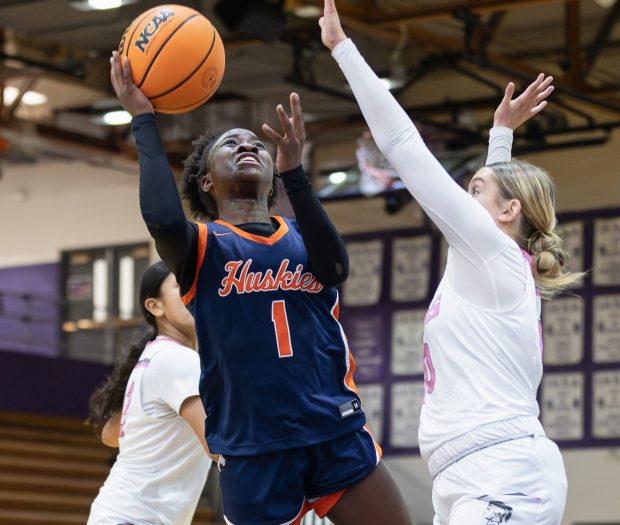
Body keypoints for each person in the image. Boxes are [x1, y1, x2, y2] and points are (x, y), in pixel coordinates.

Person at [109, 51, 412, 525]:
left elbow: (335, 268)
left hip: (332, 429)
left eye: (256, 145)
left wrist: (296, 173)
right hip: (254, 446)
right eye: (231, 144)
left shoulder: (300, 232)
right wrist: (144, 119)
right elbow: (163, 218)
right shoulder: (201, 247)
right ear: (206, 180)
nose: (247, 147)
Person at [319, 1, 582, 524]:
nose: (464, 196)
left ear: (508, 212)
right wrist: (500, 134)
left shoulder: (495, 257)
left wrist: (342, 49)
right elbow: (498, 192)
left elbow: (400, 144)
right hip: (471, 473)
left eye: (476, 190)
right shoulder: (492, 260)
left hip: (503, 472)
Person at [87, 261, 213, 525]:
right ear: (155, 306)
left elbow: (112, 435)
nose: (195, 293)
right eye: (182, 286)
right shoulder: (178, 360)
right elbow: (218, 445)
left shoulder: (153, 356)